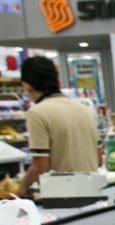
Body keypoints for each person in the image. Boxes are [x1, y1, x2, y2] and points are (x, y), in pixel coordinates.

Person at [19, 56, 99, 195]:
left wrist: (22, 188)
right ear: (57, 81)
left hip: (62, 196)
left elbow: (41, 167)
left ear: (26, 85)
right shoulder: (86, 109)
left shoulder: (37, 113)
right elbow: (99, 159)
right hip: (94, 191)